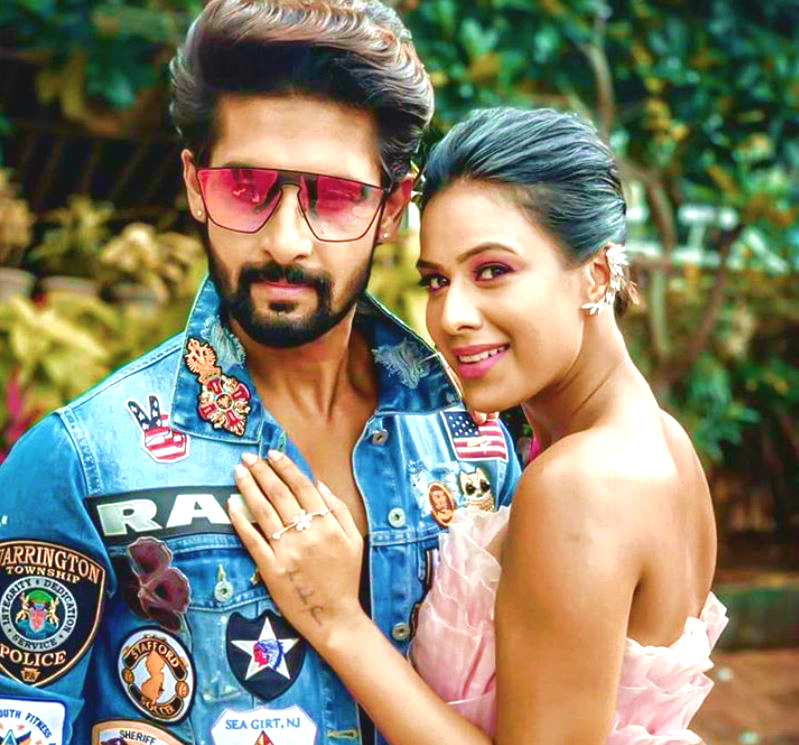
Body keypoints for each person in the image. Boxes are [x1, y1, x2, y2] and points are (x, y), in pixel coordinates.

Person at [0, 4, 521, 743]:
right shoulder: (82, 463)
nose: (284, 241)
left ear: (392, 209)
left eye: (333, 197)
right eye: (245, 187)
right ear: (194, 184)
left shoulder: (473, 447)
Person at [229, 107, 728, 745]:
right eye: (437, 281)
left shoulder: (580, 485)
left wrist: (338, 621)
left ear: (596, 275)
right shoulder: (664, 444)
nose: (452, 315)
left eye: (493, 271)